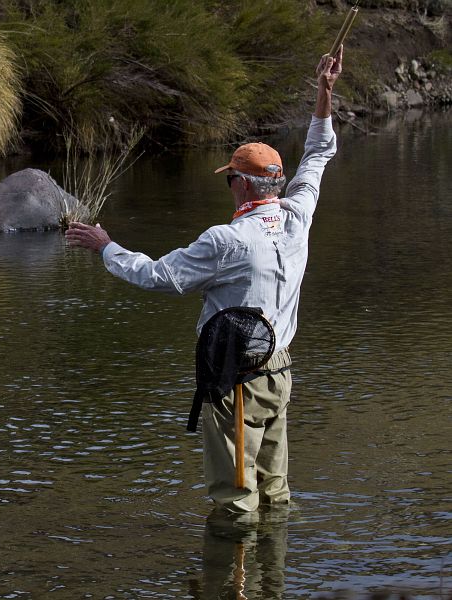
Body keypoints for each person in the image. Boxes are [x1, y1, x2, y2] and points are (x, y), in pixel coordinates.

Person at [65, 48, 343, 513]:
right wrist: (324, 92)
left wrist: (104, 247)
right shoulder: (299, 216)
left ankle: (232, 577)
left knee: (235, 501)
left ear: (239, 184)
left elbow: (157, 277)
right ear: (275, 184)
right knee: (274, 492)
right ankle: (270, 580)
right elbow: (317, 152)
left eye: (229, 178)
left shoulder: (225, 241)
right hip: (280, 374)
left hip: (237, 380)